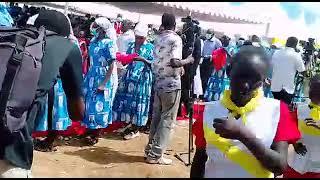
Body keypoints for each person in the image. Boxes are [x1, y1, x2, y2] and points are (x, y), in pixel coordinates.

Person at [190, 46, 301, 178]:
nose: (246, 85)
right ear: (229, 71)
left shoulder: (276, 111)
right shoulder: (210, 111)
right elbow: (199, 160)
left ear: (264, 80)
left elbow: (279, 167)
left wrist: (242, 135)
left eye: (255, 80)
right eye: (241, 77)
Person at [0, 9, 85, 178]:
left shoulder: (13, 38)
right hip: (12, 149)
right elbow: (77, 113)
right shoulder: (67, 47)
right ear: (65, 33)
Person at [144, 13, 194, 165]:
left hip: (158, 83)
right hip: (171, 85)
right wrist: (188, 60)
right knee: (167, 120)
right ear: (174, 24)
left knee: (157, 118)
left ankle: (150, 150)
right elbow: (174, 61)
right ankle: (156, 155)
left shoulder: (158, 38)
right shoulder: (175, 39)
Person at [32, 13, 83, 152]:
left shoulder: (27, 42)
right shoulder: (67, 45)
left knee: (54, 114)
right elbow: (77, 113)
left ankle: (50, 140)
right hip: (54, 83)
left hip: (58, 84)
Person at [113, 22, 154, 140]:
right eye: (137, 38)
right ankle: (127, 124)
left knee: (139, 103)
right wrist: (125, 58)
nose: (138, 40)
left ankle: (136, 129)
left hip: (142, 79)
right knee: (127, 101)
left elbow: (154, 64)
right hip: (129, 77)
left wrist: (143, 59)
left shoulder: (150, 48)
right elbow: (125, 61)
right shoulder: (131, 45)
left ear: (146, 37)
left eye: (141, 38)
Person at [82, 17, 118, 146]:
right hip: (92, 75)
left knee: (100, 105)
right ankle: (89, 129)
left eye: (96, 26)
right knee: (89, 104)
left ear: (102, 29)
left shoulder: (109, 43)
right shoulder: (93, 41)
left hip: (104, 77)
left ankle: (96, 133)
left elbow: (112, 64)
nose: (93, 28)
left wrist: (104, 83)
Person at [284, 74, 320, 178]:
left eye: (318, 89)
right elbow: (289, 129)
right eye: (312, 88)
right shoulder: (300, 109)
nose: (314, 92)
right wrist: (294, 143)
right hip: (297, 164)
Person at [271, 36, 306, 105]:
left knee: (276, 108)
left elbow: (272, 65)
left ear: (286, 43)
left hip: (275, 87)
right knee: (285, 110)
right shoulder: (296, 55)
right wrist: (308, 62)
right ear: (295, 45)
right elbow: (302, 71)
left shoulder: (276, 53)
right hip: (287, 89)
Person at [204, 35, 231, 102]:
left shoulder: (230, 49)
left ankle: (217, 97)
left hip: (222, 70)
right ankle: (211, 96)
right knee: (215, 82)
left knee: (219, 83)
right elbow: (214, 56)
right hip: (217, 68)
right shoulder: (219, 49)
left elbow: (231, 58)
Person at [200, 28, 222, 100]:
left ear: (212, 35)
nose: (207, 35)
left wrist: (212, 56)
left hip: (211, 62)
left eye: (209, 34)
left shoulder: (217, 42)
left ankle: (204, 95)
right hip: (203, 61)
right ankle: (200, 94)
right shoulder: (205, 41)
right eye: (207, 34)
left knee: (206, 79)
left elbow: (220, 53)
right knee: (201, 78)